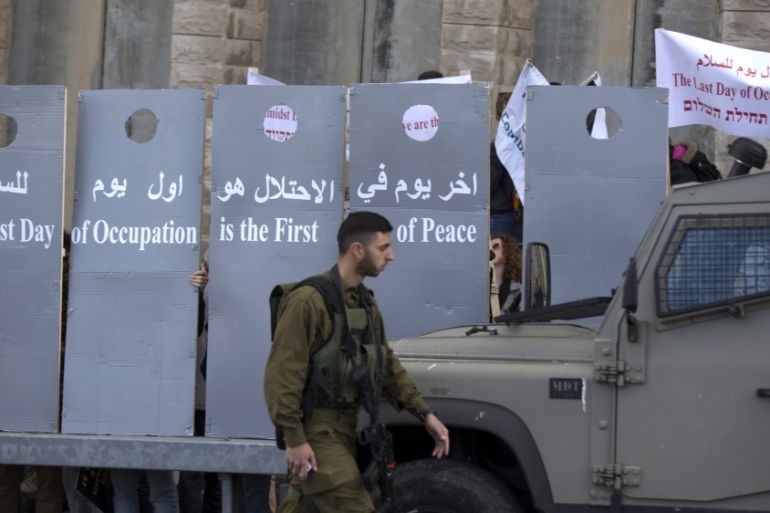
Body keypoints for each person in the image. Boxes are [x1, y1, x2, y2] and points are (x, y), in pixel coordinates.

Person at [264, 211, 449, 513]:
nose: (391, 256)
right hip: (317, 433)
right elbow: (283, 375)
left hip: (346, 429)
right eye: (383, 248)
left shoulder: (364, 302)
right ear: (357, 250)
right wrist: (295, 439)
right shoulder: (308, 301)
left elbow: (386, 366)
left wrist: (424, 413)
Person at [490, 92, 523, 242]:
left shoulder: (499, 144)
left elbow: (490, 182)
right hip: (519, 213)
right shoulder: (523, 143)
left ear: (497, 116)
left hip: (501, 214)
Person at [489, 234, 522, 319]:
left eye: (496, 246)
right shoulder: (479, 282)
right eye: (488, 247)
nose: (490, 250)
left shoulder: (517, 287)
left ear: (508, 251)